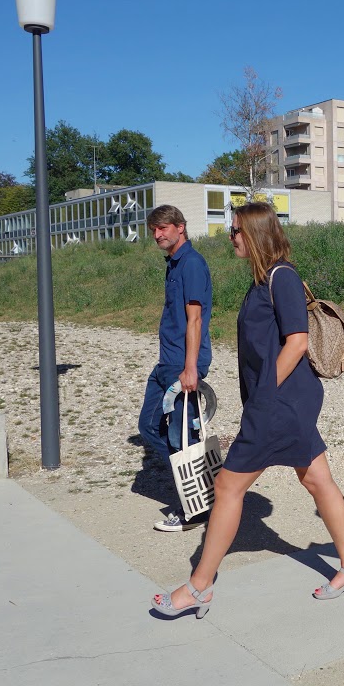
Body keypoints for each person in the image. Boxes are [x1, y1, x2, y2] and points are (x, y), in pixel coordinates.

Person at [151, 202, 344, 618]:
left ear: (255, 233)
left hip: (281, 403)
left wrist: (264, 396)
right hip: (283, 401)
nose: (231, 236)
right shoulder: (262, 279)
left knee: (229, 488)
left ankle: (199, 587)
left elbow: (297, 342)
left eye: (235, 230)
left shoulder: (282, 277)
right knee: (318, 480)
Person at [136, 204, 215, 533]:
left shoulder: (192, 264)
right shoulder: (174, 263)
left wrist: (190, 368)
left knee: (179, 435)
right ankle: (204, 490)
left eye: (163, 228)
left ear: (180, 227)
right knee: (152, 426)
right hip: (168, 363)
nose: (157, 234)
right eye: (154, 229)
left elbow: (194, 319)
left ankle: (195, 507)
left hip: (183, 364)